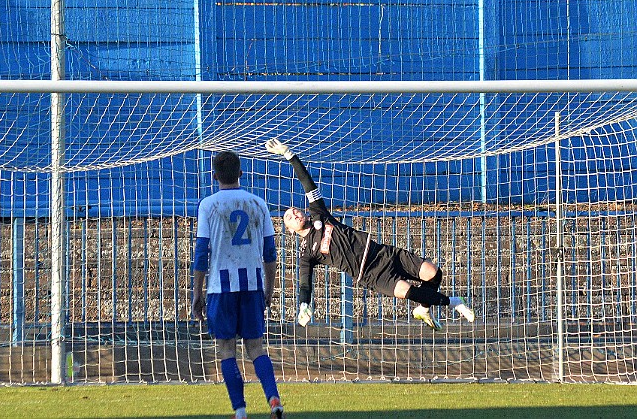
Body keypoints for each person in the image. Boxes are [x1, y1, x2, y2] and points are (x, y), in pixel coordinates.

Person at [265, 139, 475, 331]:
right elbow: (304, 282)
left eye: (294, 210)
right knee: (408, 290)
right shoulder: (306, 253)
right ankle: (454, 302)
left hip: (383, 253)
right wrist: (304, 304)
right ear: (290, 230)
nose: (294, 214)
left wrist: (289, 154)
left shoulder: (320, 214)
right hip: (371, 274)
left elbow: (308, 184)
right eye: (289, 218)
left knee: (433, 273)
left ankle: (424, 308)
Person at [192, 151, 284, 419]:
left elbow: (201, 253)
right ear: (241, 173)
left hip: (221, 288)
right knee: (256, 348)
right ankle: (274, 400)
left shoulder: (208, 205)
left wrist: (197, 293)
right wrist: (269, 289)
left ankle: (240, 411)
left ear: (214, 176)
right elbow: (270, 253)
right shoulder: (258, 203)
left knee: (226, 349)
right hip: (253, 284)